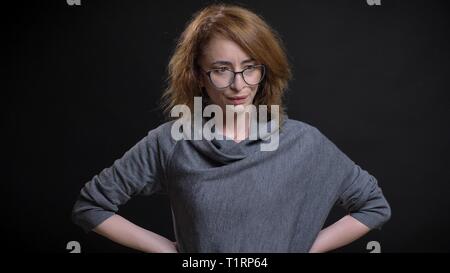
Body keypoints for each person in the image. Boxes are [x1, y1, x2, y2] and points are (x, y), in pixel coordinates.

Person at [71, 3, 391, 253]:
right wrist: (171, 250)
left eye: (250, 68)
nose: (239, 85)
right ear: (198, 74)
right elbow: (90, 206)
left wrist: (301, 247)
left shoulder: (303, 142)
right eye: (221, 70)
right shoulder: (171, 142)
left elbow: (374, 206)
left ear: (264, 71)